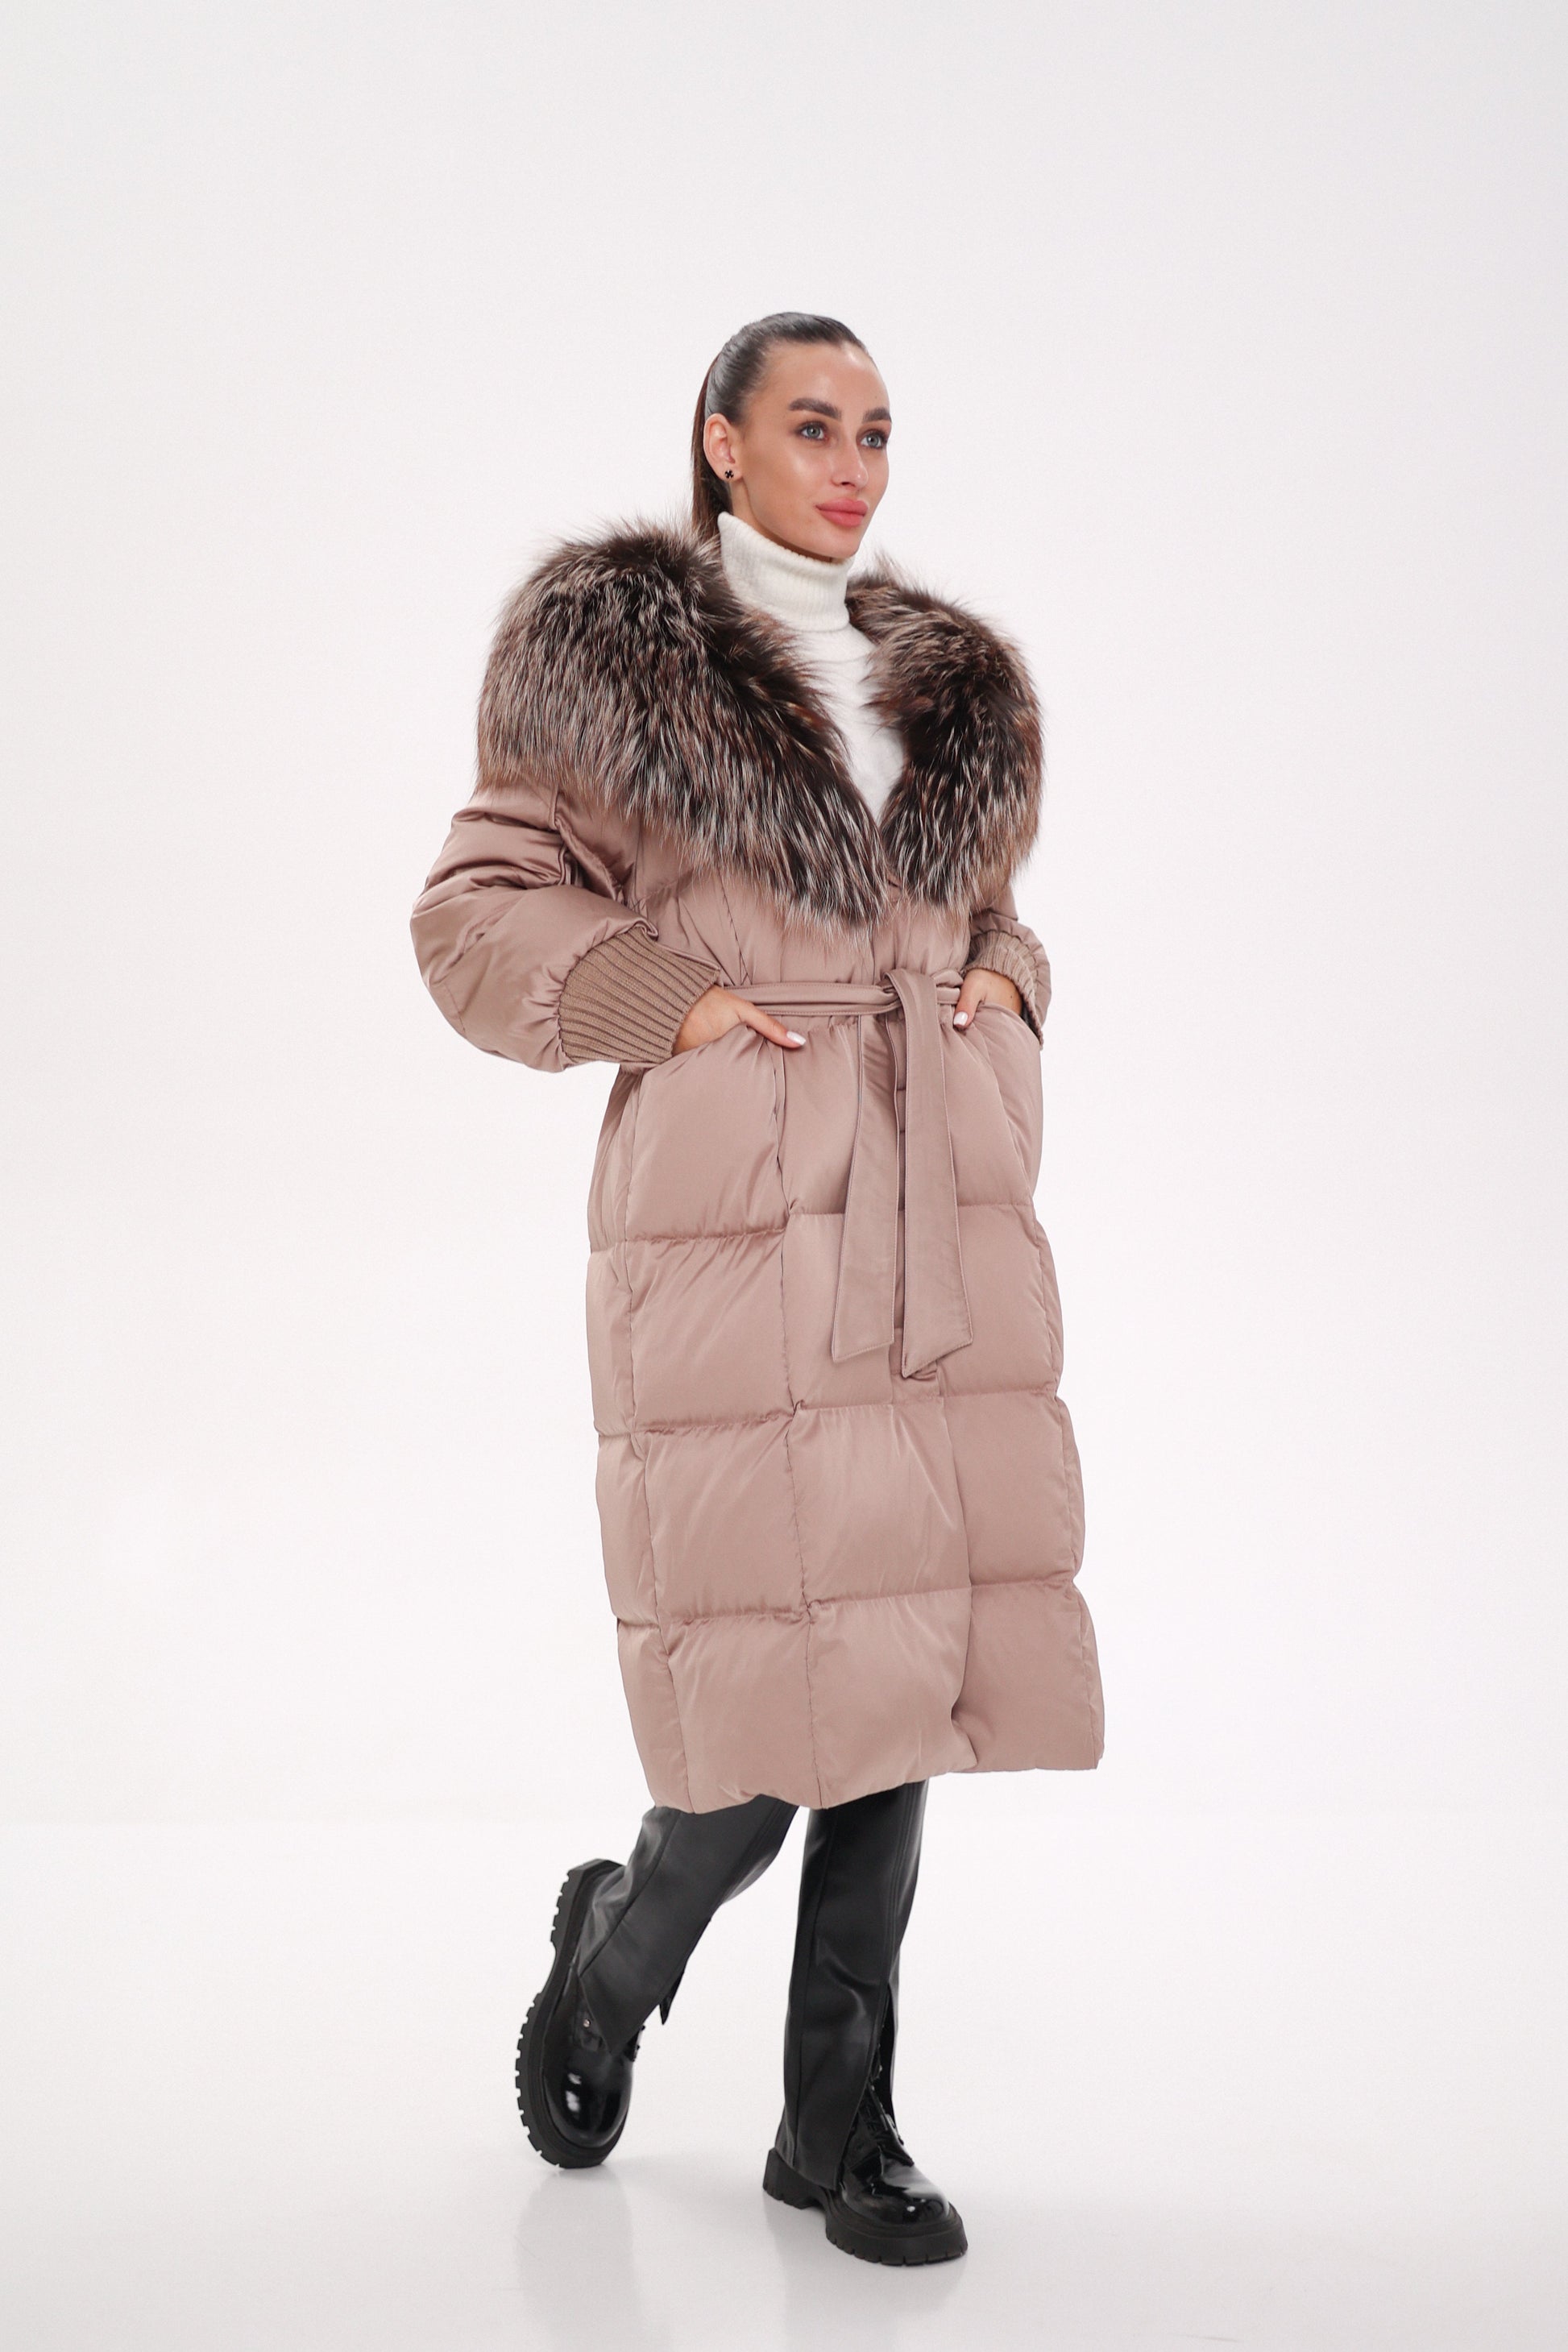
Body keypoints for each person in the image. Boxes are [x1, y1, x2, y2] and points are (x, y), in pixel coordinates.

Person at [410, 312, 1104, 2266]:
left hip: (930, 1211)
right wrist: (674, 1001)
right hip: (736, 1221)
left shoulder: (935, 680)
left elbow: (984, 911)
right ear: (721, 442)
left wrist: (1005, 982)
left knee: (903, 1676)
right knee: (761, 1711)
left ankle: (836, 2118)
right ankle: (613, 1958)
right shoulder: (607, 659)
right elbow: (475, 907)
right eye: (813, 425)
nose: (854, 462)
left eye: (877, 430)